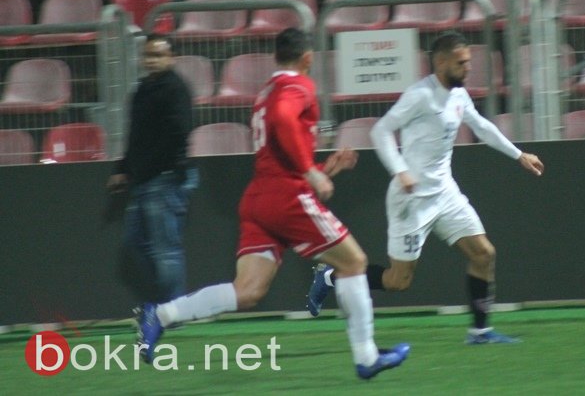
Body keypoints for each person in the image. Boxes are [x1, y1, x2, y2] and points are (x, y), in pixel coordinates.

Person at [135, 28, 410, 380]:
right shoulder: (297, 86)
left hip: (259, 198)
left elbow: (277, 152)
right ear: (308, 58)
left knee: (247, 291)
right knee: (354, 262)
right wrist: (312, 172)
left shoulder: (266, 91)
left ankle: (161, 315)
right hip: (285, 198)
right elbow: (283, 119)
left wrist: (327, 169)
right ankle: (367, 357)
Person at [306, 31, 544, 344]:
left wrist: (519, 155)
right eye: (462, 62)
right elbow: (380, 131)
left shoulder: (458, 94)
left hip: (445, 192)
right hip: (411, 200)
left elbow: (481, 126)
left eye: (469, 61)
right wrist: (401, 171)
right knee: (397, 281)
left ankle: (480, 332)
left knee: (484, 253)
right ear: (441, 61)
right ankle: (330, 276)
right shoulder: (420, 95)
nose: (468, 67)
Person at [108, 36, 198, 306]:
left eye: (158, 55)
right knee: (137, 242)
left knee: (165, 250)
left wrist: (153, 168)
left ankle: (173, 312)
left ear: (171, 58)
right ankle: (163, 303)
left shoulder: (175, 89)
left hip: (165, 178)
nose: (151, 60)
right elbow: (135, 135)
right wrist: (123, 168)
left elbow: (179, 133)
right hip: (144, 180)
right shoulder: (142, 89)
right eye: (148, 55)